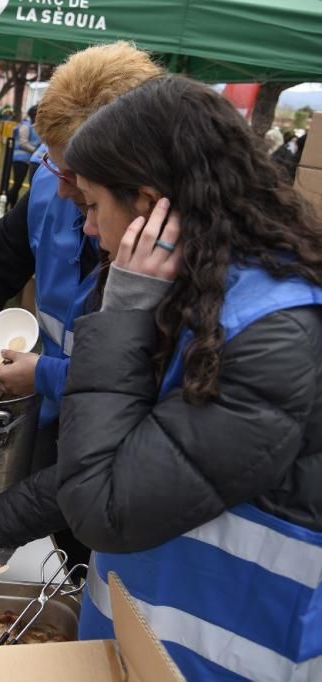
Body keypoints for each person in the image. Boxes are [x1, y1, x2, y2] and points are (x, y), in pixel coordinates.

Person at [57, 74, 322, 681]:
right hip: (154, 645)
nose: (90, 229)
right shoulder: (200, 295)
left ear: (150, 206)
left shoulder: (271, 337)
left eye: (94, 205)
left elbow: (104, 504)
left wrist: (121, 315)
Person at [0, 42, 162, 570]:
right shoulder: (52, 186)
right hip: (53, 435)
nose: (64, 187)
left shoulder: (171, 242)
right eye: (54, 162)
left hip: (127, 467)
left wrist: (47, 374)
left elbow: (152, 391)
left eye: (80, 179)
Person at [5, 105, 40, 207]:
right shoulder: (25, 126)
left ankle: (11, 204)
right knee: (17, 184)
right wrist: (36, 151)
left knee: (18, 184)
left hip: (27, 159)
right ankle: (7, 201)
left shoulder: (33, 126)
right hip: (19, 159)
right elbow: (22, 143)